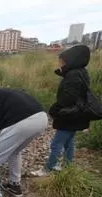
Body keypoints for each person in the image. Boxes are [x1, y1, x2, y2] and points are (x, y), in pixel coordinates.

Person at [31, 45, 91, 177]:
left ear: (71, 60)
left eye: (62, 61)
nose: (60, 63)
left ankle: (48, 169)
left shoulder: (73, 75)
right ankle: (67, 167)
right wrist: (62, 71)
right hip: (77, 114)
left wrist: (54, 109)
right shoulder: (81, 72)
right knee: (69, 142)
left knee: (56, 143)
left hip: (69, 115)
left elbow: (68, 97)